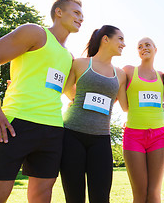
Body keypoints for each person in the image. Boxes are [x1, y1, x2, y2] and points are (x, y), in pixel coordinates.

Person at [0, 0, 83, 203]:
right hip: (16, 122)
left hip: (53, 129)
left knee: (43, 194)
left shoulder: (69, 57)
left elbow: (70, 93)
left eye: (83, 15)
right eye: (76, 13)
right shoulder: (35, 32)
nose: (81, 18)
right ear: (59, 12)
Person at [60, 25, 127, 203]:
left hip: (101, 139)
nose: (124, 44)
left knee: (101, 197)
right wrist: (79, 98)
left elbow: (124, 105)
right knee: (74, 197)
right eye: (120, 39)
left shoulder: (120, 74)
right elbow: (67, 90)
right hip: (72, 134)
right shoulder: (80, 63)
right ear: (106, 39)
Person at [122, 37, 164, 203]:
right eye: (139, 46)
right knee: (140, 193)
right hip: (134, 135)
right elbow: (123, 105)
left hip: (158, 135)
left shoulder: (162, 76)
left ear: (156, 49)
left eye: (147, 45)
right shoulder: (128, 71)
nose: (143, 48)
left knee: (154, 192)